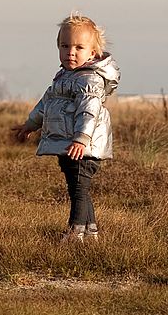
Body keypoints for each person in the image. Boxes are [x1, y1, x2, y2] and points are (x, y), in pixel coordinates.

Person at [12, 12, 120, 242]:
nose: (70, 52)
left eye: (78, 47)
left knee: (79, 188)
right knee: (77, 186)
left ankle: (75, 231)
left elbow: (89, 111)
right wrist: (30, 125)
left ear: (93, 53)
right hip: (68, 144)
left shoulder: (89, 80)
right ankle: (90, 231)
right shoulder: (63, 78)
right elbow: (46, 104)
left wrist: (81, 138)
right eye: (64, 45)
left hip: (83, 145)